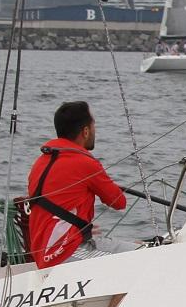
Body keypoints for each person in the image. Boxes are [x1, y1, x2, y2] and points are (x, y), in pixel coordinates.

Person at [26, 101, 128, 267]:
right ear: (85, 131)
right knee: (143, 255)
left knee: (135, 246)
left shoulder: (40, 162)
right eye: (93, 125)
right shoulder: (85, 163)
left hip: (43, 253)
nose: (95, 130)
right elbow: (119, 202)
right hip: (65, 252)